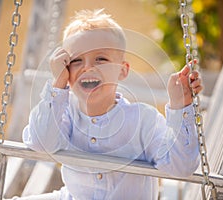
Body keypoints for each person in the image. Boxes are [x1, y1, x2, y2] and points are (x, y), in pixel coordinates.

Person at [17, 9, 202, 200]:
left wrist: (180, 105)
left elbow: (181, 167)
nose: (87, 67)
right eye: (76, 60)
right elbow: (40, 143)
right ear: (66, 69)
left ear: (122, 70)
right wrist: (58, 84)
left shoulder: (143, 120)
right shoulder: (64, 115)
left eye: (101, 59)